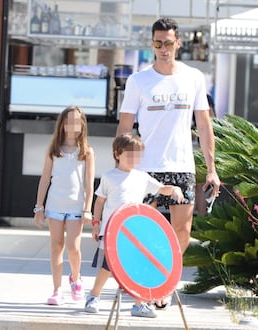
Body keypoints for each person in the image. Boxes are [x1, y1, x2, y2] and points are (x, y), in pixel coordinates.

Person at [116, 17, 221, 308]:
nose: (163, 48)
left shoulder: (194, 78)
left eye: (169, 43)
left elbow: (204, 124)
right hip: (146, 168)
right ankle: (143, 285)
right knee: (140, 231)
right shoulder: (138, 81)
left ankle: (163, 284)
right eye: (158, 43)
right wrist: (122, 164)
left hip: (182, 166)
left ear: (178, 44)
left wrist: (211, 168)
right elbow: (125, 127)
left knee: (182, 233)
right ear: (152, 44)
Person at [84, 134, 184, 317]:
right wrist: (96, 224)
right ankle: (93, 296)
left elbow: (162, 189)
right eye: (129, 154)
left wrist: (175, 189)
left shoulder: (142, 177)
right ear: (117, 154)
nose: (133, 159)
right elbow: (99, 203)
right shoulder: (109, 177)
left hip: (134, 232)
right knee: (108, 266)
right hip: (112, 231)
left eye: (137, 155)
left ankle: (139, 304)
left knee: (136, 267)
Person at [34, 106, 95, 306]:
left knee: (73, 247)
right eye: (69, 121)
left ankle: (76, 279)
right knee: (56, 246)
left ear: (82, 125)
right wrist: (39, 207)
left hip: (76, 208)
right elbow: (44, 179)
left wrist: (87, 208)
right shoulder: (54, 150)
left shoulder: (86, 152)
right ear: (62, 124)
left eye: (77, 121)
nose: (73, 126)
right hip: (55, 205)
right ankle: (57, 289)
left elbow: (89, 183)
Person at [194, 94, 215, 215]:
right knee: (199, 185)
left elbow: (210, 119)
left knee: (200, 185)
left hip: (201, 147)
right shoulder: (204, 97)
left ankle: (201, 217)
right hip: (198, 146)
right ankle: (201, 218)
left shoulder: (204, 97)